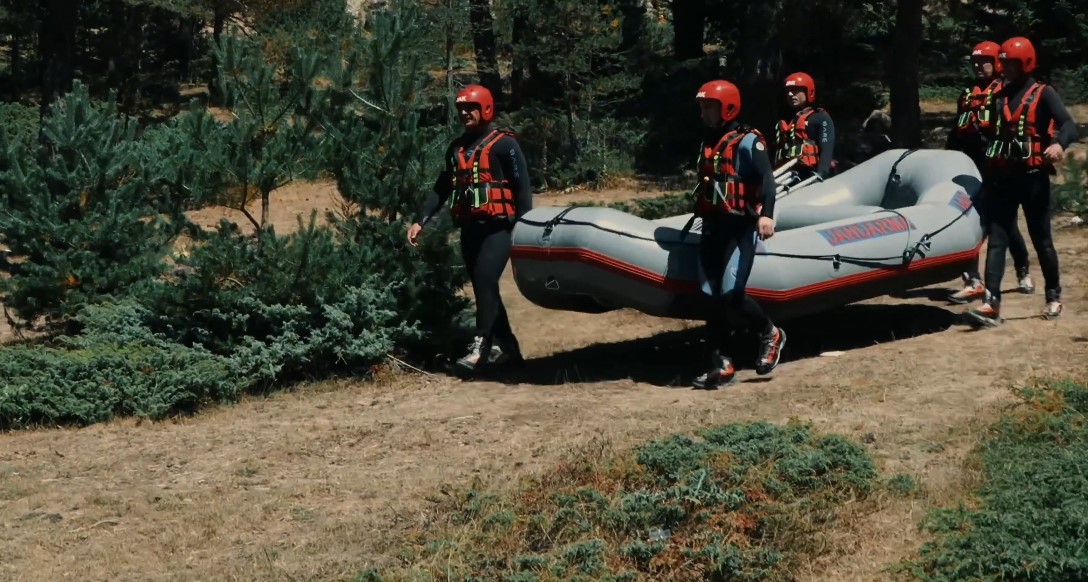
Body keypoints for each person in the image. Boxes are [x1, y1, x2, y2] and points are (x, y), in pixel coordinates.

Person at [406, 84, 532, 373]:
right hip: (470, 230)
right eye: (461, 108)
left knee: (486, 281)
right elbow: (441, 188)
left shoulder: (505, 145)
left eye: (470, 108)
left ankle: (482, 347)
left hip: (499, 230)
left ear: (486, 109)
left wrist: (525, 229)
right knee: (482, 287)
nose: (464, 113)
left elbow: (522, 189)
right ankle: (509, 349)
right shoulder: (456, 148)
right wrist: (420, 220)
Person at [966, 37, 1077, 327]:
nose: (1006, 68)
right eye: (1004, 63)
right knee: (998, 239)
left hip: (1033, 179)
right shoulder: (999, 95)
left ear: (1026, 63)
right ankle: (991, 302)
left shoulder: (1044, 93)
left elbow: (1068, 124)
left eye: (1012, 63)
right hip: (1003, 178)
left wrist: (1058, 145)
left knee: (1041, 240)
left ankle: (1053, 295)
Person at [690, 80, 787, 389]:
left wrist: (767, 215)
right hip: (712, 227)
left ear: (727, 108)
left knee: (732, 295)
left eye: (710, 106)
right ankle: (722, 363)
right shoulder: (707, 139)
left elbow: (767, 181)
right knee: (709, 298)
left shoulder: (748, 141)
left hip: (738, 228)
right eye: (702, 106)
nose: (704, 112)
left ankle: (769, 332)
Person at [945, 40, 1033, 304]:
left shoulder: (1004, 93)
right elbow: (955, 130)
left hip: (996, 165)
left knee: (1005, 225)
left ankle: (1022, 269)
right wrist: (947, 154)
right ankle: (972, 279)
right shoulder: (967, 94)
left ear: (997, 63)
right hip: (970, 167)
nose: (978, 66)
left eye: (983, 61)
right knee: (973, 222)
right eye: (974, 62)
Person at [774, 72, 836, 180]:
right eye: (788, 91)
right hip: (787, 176)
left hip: (810, 174)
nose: (790, 94)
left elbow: (827, 148)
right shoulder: (785, 121)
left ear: (808, 91)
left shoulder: (820, 117)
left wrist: (821, 173)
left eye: (795, 90)